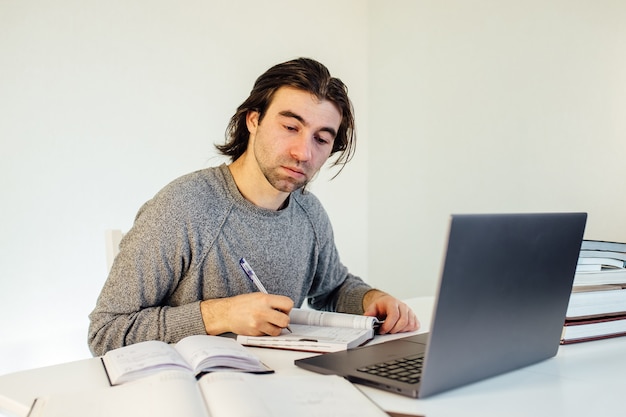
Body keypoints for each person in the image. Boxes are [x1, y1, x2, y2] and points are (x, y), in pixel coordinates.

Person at [88, 57, 419, 356]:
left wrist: (371, 299)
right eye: (290, 127)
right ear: (253, 120)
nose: (304, 153)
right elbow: (105, 333)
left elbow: (332, 287)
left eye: (321, 139)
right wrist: (221, 314)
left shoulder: (309, 212)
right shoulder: (182, 208)